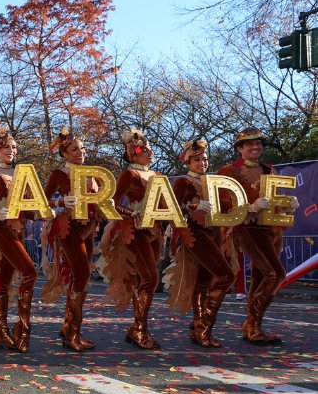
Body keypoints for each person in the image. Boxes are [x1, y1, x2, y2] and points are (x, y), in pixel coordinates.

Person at [216, 127, 299, 344]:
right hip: (245, 228)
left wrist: (288, 206)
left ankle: (254, 327)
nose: (255, 147)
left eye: (259, 144)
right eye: (250, 144)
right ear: (240, 148)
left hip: (270, 231)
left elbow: (275, 203)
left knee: (261, 277)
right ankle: (251, 323)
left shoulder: (268, 170)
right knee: (276, 275)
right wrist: (250, 207)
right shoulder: (227, 171)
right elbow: (223, 204)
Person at [164, 139, 235, 347]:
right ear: (188, 161)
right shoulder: (183, 182)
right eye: (197, 159)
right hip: (194, 234)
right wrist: (193, 205)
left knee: (203, 281)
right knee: (225, 275)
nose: (202, 163)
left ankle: (198, 326)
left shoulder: (212, 182)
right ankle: (205, 326)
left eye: (205, 159)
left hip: (214, 233)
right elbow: (172, 208)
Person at [98, 128, 162, 350]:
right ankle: (139, 328)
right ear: (133, 154)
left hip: (154, 231)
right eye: (144, 149)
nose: (150, 152)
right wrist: (130, 214)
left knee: (144, 279)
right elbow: (111, 202)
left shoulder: (157, 176)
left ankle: (138, 327)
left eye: (151, 148)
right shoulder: (130, 175)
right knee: (151, 278)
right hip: (134, 230)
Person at [0, 126, 38, 352]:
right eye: (6, 147)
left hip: (17, 229)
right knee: (30, 271)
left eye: (13, 147)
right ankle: (22, 327)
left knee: (2, 283)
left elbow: (32, 207)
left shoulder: (23, 174)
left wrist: (36, 210)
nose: (10, 151)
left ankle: (0, 332)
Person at [42, 126, 99, 351]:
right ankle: (71, 329)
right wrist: (59, 203)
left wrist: (107, 206)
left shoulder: (93, 173)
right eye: (74, 149)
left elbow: (99, 200)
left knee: (82, 277)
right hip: (68, 227)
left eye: (82, 148)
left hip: (88, 227)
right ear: (64, 153)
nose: (80, 152)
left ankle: (71, 329)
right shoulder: (59, 174)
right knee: (82, 274)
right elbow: (42, 200)